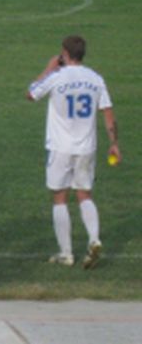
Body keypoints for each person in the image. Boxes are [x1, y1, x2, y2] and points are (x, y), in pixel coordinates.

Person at [27, 35, 119, 270]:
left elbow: (32, 93)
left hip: (60, 147)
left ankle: (66, 253)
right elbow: (108, 114)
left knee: (59, 197)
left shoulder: (57, 77)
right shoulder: (96, 79)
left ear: (64, 53)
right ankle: (94, 239)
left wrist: (48, 69)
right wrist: (114, 143)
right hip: (86, 147)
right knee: (84, 194)